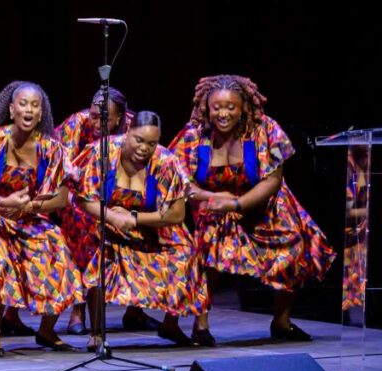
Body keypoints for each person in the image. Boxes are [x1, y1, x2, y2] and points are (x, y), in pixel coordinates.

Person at [170, 75, 335, 345]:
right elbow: (180, 181)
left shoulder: (265, 129)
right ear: (207, 108)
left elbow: (273, 180)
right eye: (217, 107)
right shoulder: (194, 134)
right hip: (215, 205)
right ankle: (200, 325)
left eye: (231, 107)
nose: (223, 113)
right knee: (207, 252)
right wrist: (214, 198)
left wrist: (238, 203)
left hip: (264, 204)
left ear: (243, 107)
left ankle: (281, 322)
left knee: (293, 246)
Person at [0, 82, 85, 355]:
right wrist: (3, 203)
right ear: (11, 109)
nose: (28, 110)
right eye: (23, 104)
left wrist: (28, 207)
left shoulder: (52, 149)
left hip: (29, 219)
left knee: (59, 252)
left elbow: (61, 199)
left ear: (41, 113)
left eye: (35, 105)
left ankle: (46, 330)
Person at [73, 111, 206, 350]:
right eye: (139, 140)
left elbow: (177, 214)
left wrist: (134, 219)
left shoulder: (166, 161)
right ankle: (97, 333)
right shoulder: (101, 152)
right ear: (127, 134)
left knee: (185, 251)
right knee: (99, 252)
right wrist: (113, 216)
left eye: (152, 143)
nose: (145, 148)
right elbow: (84, 199)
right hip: (105, 222)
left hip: (146, 227)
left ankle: (171, 323)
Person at [56, 87, 156, 335]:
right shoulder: (75, 125)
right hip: (79, 195)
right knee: (84, 225)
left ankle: (135, 308)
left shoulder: (134, 127)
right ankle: (78, 310)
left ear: (120, 117)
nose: (95, 122)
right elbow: (64, 169)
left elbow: (149, 166)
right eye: (92, 115)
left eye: (104, 119)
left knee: (147, 232)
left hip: (121, 196)